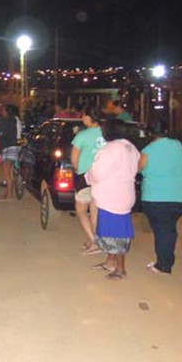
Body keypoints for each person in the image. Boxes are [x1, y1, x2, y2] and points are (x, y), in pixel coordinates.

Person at [86, 119, 140, 280]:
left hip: (112, 197)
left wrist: (88, 176)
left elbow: (97, 172)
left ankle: (120, 268)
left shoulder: (111, 149)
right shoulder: (129, 146)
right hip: (124, 193)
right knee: (109, 231)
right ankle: (110, 261)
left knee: (116, 234)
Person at [139, 121, 182, 274]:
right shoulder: (179, 146)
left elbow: (139, 167)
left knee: (162, 230)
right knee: (168, 227)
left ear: (150, 133)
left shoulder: (148, 150)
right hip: (181, 195)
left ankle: (164, 264)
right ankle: (166, 258)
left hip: (157, 196)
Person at [70, 106, 106, 254]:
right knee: (96, 209)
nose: (82, 118)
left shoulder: (82, 136)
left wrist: (77, 169)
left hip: (85, 175)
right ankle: (97, 239)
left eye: (84, 116)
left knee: (81, 210)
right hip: (104, 176)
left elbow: (74, 157)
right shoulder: (107, 133)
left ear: (90, 118)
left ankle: (94, 241)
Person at [0, 105, 19, 200]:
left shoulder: (5, 121)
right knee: (10, 172)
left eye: (4, 110)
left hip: (7, 148)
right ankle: (10, 192)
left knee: (6, 173)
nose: (2, 112)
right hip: (13, 147)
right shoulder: (14, 121)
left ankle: (9, 194)